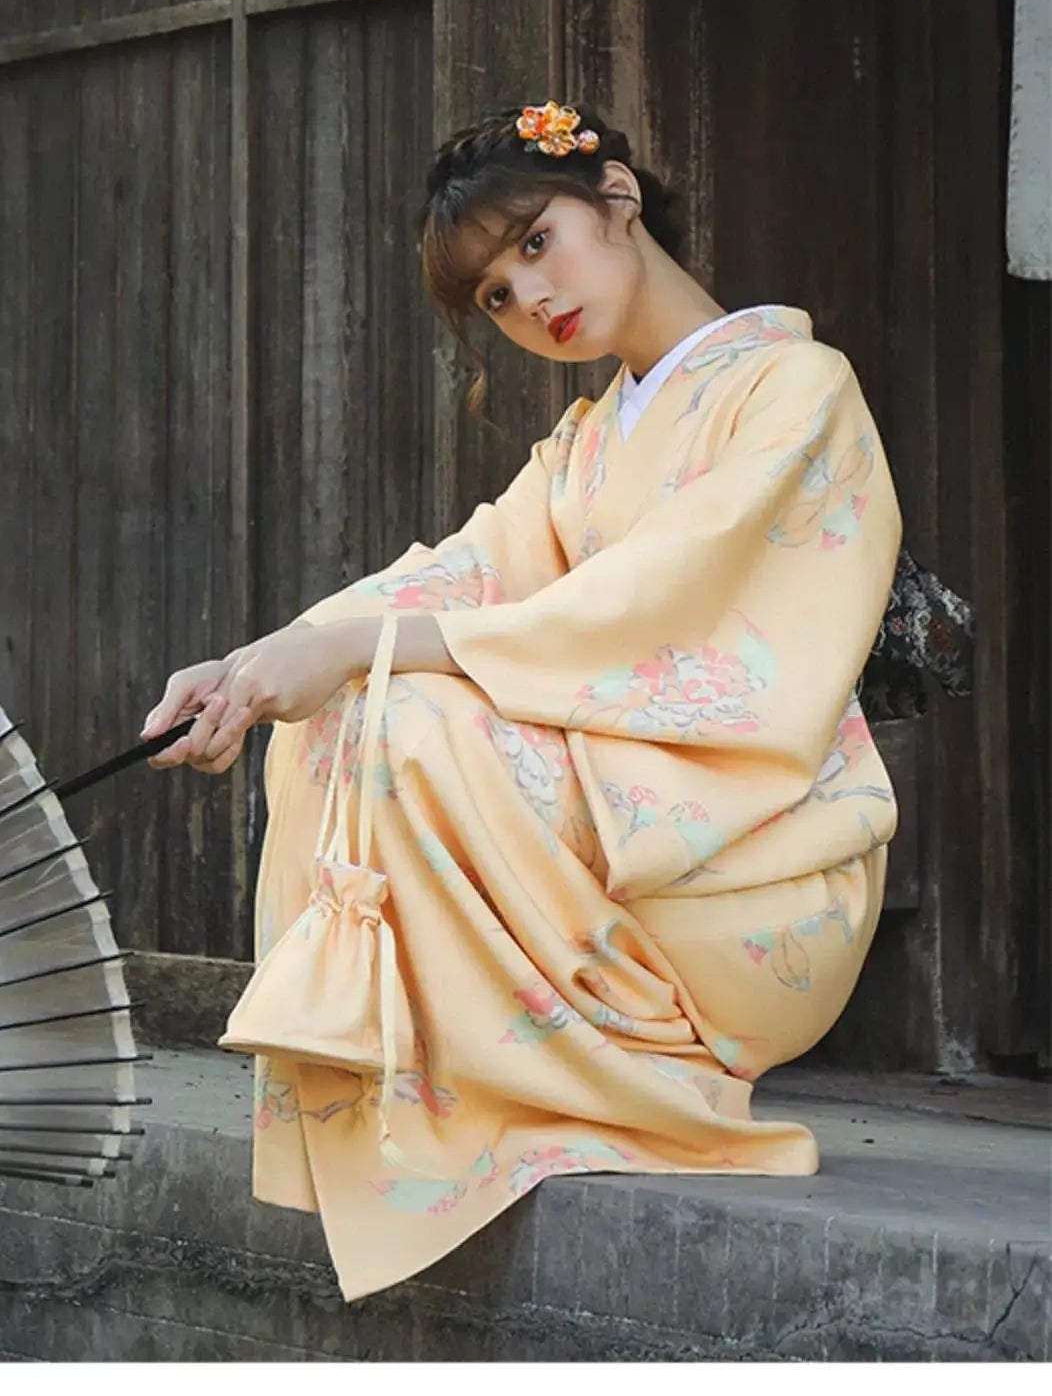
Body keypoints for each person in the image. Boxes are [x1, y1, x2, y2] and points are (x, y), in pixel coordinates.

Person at [141, 99, 904, 1304]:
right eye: (496, 293)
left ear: (617, 196)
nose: (529, 299)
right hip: (629, 841)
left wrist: (362, 653)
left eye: (536, 242)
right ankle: (455, 1079)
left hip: (748, 866)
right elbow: (462, 568)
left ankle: (607, 1063)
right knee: (344, 716)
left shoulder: (796, 390)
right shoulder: (591, 447)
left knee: (413, 719)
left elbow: (654, 607)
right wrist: (264, 661)